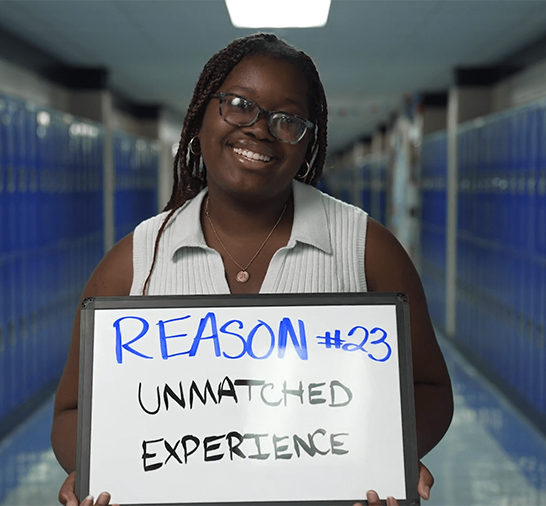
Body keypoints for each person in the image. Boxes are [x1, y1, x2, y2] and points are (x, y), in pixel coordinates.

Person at [51, 33, 453, 506]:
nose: (260, 129)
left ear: (308, 142)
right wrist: (99, 465)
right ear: (201, 115)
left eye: (288, 120)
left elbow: (430, 389)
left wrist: (387, 454)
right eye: (239, 105)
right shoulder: (136, 260)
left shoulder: (364, 247)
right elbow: (72, 412)